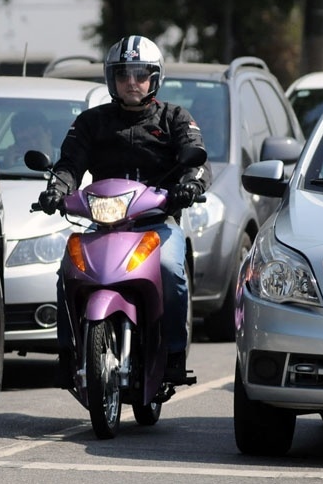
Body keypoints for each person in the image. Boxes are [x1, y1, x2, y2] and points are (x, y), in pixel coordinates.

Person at [36, 35, 211, 385]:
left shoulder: (175, 117)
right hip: (103, 226)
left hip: (156, 224)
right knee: (67, 269)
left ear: (155, 78)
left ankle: (174, 354)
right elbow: (69, 165)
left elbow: (198, 161)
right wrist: (56, 189)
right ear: (110, 78)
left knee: (170, 268)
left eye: (141, 74)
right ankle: (68, 353)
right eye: (123, 74)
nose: (132, 82)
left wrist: (190, 185)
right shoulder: (91, 122)